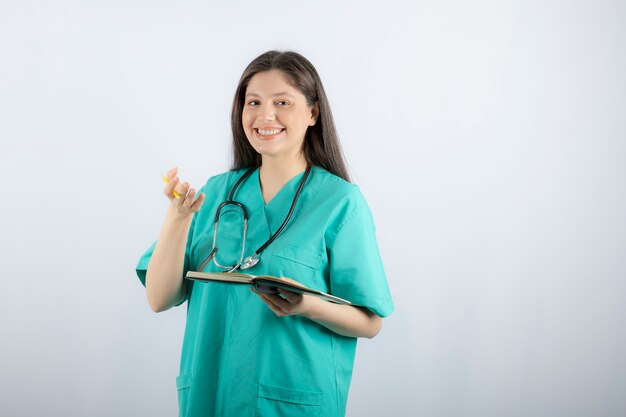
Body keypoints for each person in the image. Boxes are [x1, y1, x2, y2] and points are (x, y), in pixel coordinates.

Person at [136, 50, 394, 417]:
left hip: (291, 401)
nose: (264, 115)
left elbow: (371, 322)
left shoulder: (340, 203)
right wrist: (177, 219)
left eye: (282, 102)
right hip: (211, 397)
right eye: (253, 102)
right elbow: (159, 298)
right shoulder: (216, 193)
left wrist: (307, 304)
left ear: (313, 113)